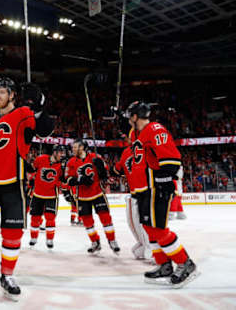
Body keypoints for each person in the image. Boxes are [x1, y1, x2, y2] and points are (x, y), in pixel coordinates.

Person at [0, 79, 53, 299]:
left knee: (12, 233)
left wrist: (38, 105)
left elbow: (46, 130)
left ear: (12, 95)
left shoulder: (23, 113)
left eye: (2, 92)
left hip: (12, 182)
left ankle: (8, 274)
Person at [125, 101, 198, 288]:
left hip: (156, 188)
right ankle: (164, 265)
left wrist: (163, 182)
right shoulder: (138, 133)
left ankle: (185, 264)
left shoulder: (155, 129)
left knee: (159, 230)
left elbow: (171, 159)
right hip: (144, 190)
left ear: (135, 117)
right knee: (149, 229)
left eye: (129, 116)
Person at [66, 139, 120, 255]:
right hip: (82, 196)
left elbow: (105, 175)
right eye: (73, 147)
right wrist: (79, 180)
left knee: (105, 218)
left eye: (76, 147)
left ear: (83, 147)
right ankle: (95, 241)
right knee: (87, 222)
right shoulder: (71, 162)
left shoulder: (95, 157)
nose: (73, 149)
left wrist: (101, 169)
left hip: (97, 193)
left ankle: (112, 240)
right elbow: (69, 179)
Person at [111, 129, 151, 260]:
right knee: (132, 223)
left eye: (126, 137)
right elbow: (118, 170)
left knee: (146, 224)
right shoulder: (126, 152)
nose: (125, 140)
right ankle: (143, 244)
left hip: (147, 192)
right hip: (134, 193)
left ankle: (152, 249)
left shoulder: (147, 148)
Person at [29, 145, 64, 249]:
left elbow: (64, 179)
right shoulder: (41, 159)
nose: (61, 155)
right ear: (54, 152)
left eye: (62, 153)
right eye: (60, 152)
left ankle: (49, 239)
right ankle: (33, 238)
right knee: (35, 218)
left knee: (50, 218)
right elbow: (32, 169)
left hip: (51, 195)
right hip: (37, 194)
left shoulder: (61, 166)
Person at [63, 143, 83, 226]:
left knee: (75, 204)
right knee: (78, 203)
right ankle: (80, 219)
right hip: (73, 187)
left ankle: (74, 219)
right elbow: (66, 176)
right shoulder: (71, 161)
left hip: (73, 187)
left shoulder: (71, 161)